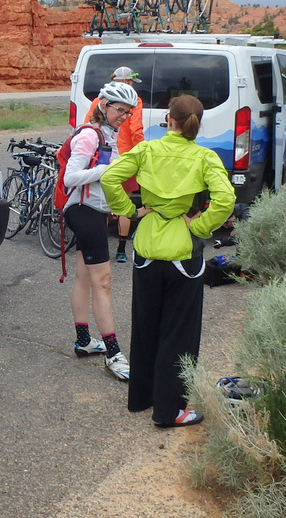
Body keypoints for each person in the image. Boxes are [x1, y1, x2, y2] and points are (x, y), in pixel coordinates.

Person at [101, 94, 235, 427]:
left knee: (146, 328)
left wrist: (131, 211)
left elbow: (109, 178)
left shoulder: (147, 150)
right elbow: (226, 198)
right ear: (197, 125)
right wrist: (201, 225)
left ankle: (141, 399)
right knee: (179, 334)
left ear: (169, 121)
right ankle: (169, 410)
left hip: (146, 248)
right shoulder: (204, 157)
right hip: (183, 253)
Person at [65, 81, 139, 381]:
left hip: (93, 212)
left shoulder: (110, 133)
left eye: (128, 112)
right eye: (119, 110)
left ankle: (83, 341)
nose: (124, 116)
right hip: (84, 212)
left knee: (85, 275)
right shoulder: (89, 135)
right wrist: (110, 170)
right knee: (104, 282)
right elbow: (72, 177)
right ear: (103, 105)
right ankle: (113, 353)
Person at [83, 66, 145, 262]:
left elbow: (87, 125)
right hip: (124, 159)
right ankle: (120, 250)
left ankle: (99, 246)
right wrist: (143, 156)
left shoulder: (98, 101)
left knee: (100, 202)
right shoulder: (135, 101)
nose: (133, 85)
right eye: (132, 82)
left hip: (101, 156)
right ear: (126, 82)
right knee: (123, 203)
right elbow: (136, 131)